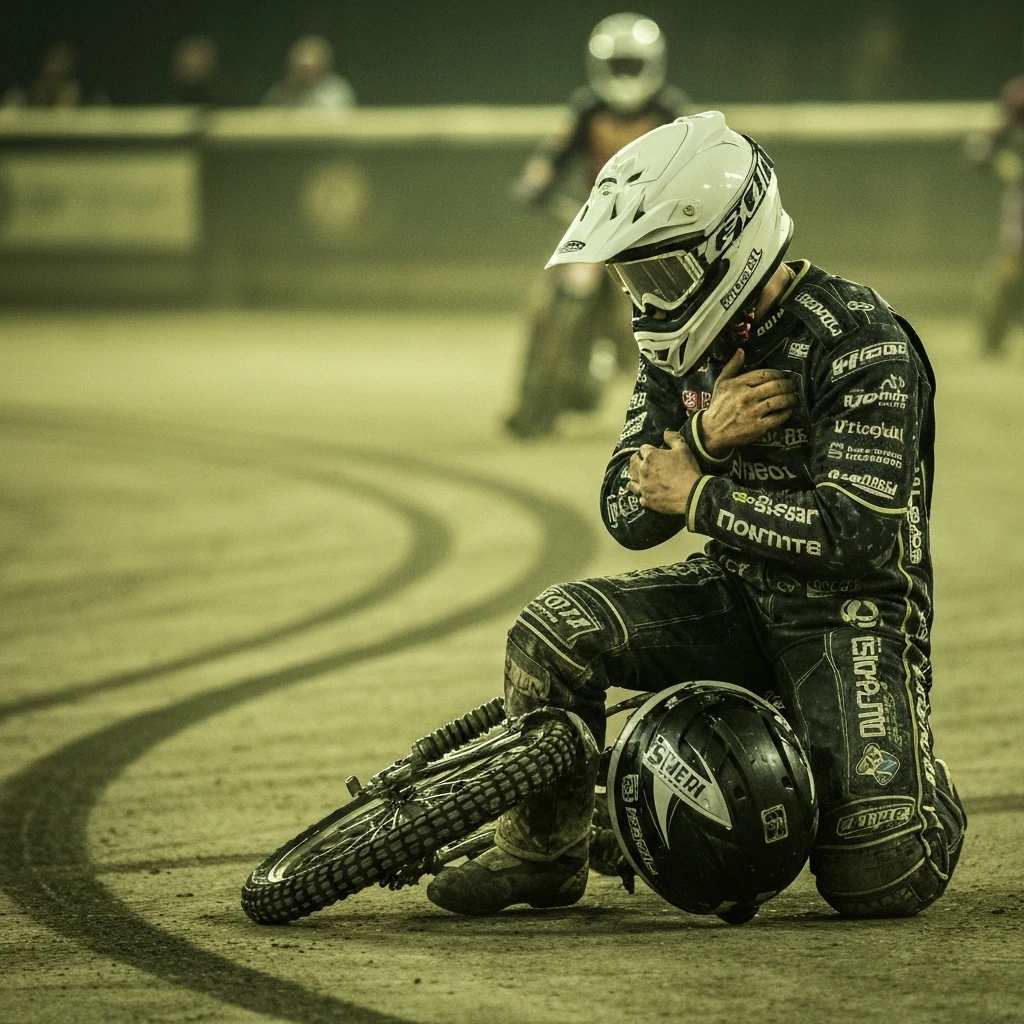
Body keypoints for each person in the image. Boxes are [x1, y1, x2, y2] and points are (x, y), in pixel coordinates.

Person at [428, 111, 966, 918]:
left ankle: (893, 777)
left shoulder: (861, 340)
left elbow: (861, 537)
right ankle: (542, 853)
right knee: (553, 629)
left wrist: (701, 493)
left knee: (882, 876)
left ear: (734, 243)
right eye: (635, 280)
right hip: (733, 589)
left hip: (848, 616)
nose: (648, 301)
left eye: (663, 277)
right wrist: (706, 444)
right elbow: (626, 511)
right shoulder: (675, 355)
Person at [504, 12, 694, 440]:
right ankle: (531, 395)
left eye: (631, 66)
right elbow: (554, 152)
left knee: (679, 312)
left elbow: (697, 160)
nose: (624, 76)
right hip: (595, 223)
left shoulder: (673, 112)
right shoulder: (586, 108)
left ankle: (686, 408)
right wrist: (536, 179)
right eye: (617, 67)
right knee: (549, 300)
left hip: (652, 232)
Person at [966, 74, 1024, 354]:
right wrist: (997, 161)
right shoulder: (1020, 96)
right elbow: (983, 147)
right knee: (1011, 268)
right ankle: (993, 333)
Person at [261, 35, 355, 110]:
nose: (302, 73)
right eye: (297, 67)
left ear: (322, 67)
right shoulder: (278, 94)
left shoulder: (337, 92)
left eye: (307, 69)